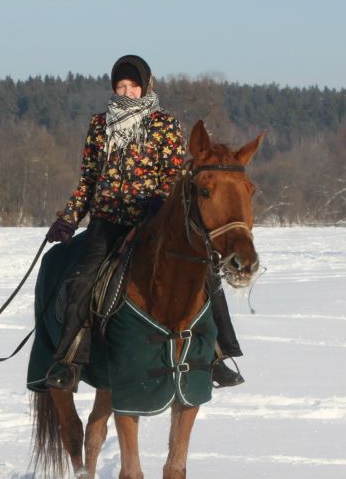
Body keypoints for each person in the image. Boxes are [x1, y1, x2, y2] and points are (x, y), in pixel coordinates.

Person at [44, 54, 243, 391]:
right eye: (120, 86)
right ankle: (68, 359)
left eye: (132, 86)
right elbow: (89, 179)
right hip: (107, 220)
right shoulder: (99, 125)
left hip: (153, 221)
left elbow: (173, 172)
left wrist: (158, 201)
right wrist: (68, 218)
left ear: (145, 86)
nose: (126, 92)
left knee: (206, 274)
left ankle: (218, 354)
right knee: (82, 282)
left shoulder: (164, 124)